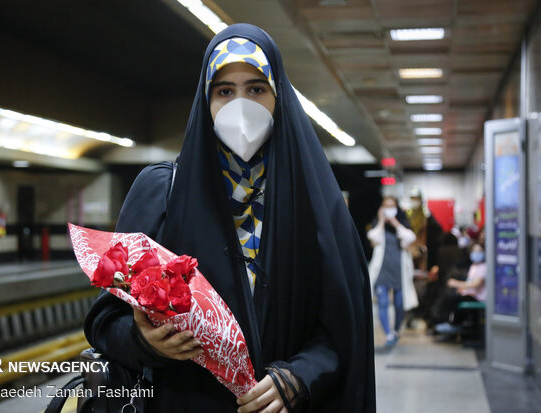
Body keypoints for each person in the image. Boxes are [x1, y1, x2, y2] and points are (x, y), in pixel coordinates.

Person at [84, 23, 375, 413]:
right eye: (224, 91)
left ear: (279, 97)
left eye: (256, 89)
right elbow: (106, 318)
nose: (241, 106)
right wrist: (142, 342)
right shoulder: (162, 193)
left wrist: (300, 376)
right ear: (205, 101)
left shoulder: (316, 205)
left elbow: (344, 327)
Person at [367, 196, 418, 347]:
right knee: (382, 302)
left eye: (392, 206)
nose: (389, 209)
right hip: (382, 271)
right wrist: (381, 220)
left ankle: (396, 330)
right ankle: (388, 334)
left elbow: (410, 238)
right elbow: (373, 238)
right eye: (386, 206)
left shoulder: (401, 226)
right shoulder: (378, 226)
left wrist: (395, 223)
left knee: (399, 304)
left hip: (399, 272)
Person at [435, 243, 486, 334]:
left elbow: (475, 284)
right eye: (474, 251)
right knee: (449, 297)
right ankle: (447, 322)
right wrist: (463, 289)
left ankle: (454, 324)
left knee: (453, 299)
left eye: (479, 251)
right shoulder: (474, 267)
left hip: (478, 298)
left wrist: (456, 284)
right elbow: (469, 283)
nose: (476, 253)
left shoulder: (484, 267)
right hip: (470, 294)